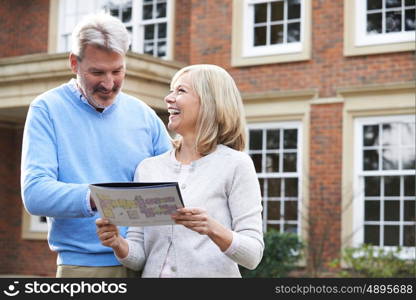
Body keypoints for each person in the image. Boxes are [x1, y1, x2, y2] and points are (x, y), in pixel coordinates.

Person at [21, 13, 171, 278]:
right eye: (97, 72)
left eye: (117, 71)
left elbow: (173, 183)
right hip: (85, 268)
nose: (109, 83)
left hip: (149, 263)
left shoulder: (144, 115)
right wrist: (104, 199)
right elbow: (35, 193)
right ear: (74, 63)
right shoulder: (47, 109)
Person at [96, 64, 264, 277]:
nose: (168, 98)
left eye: (181, 91)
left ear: (210, 102)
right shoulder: (148, 168)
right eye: (171, 90)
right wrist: (118, 242)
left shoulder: (236, 164)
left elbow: (253, 255)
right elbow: (139, 258)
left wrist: (212, 228)